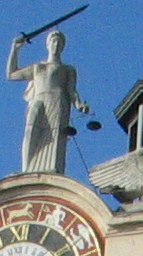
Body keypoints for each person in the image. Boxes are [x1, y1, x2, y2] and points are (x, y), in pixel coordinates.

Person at [5, 29, 89, 175]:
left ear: (62, 47)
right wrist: (15, 49)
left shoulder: (67, 69)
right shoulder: (38, 67)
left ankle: (52, 169)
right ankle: (26, 169)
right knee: (31, 130)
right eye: (53, 41)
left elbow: (71, 90)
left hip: (58, 101)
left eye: (59, 42)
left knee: (55, 134)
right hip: (39, 99)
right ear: (47, 44)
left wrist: (79, 104)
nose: (55, 45)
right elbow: (11, 75)